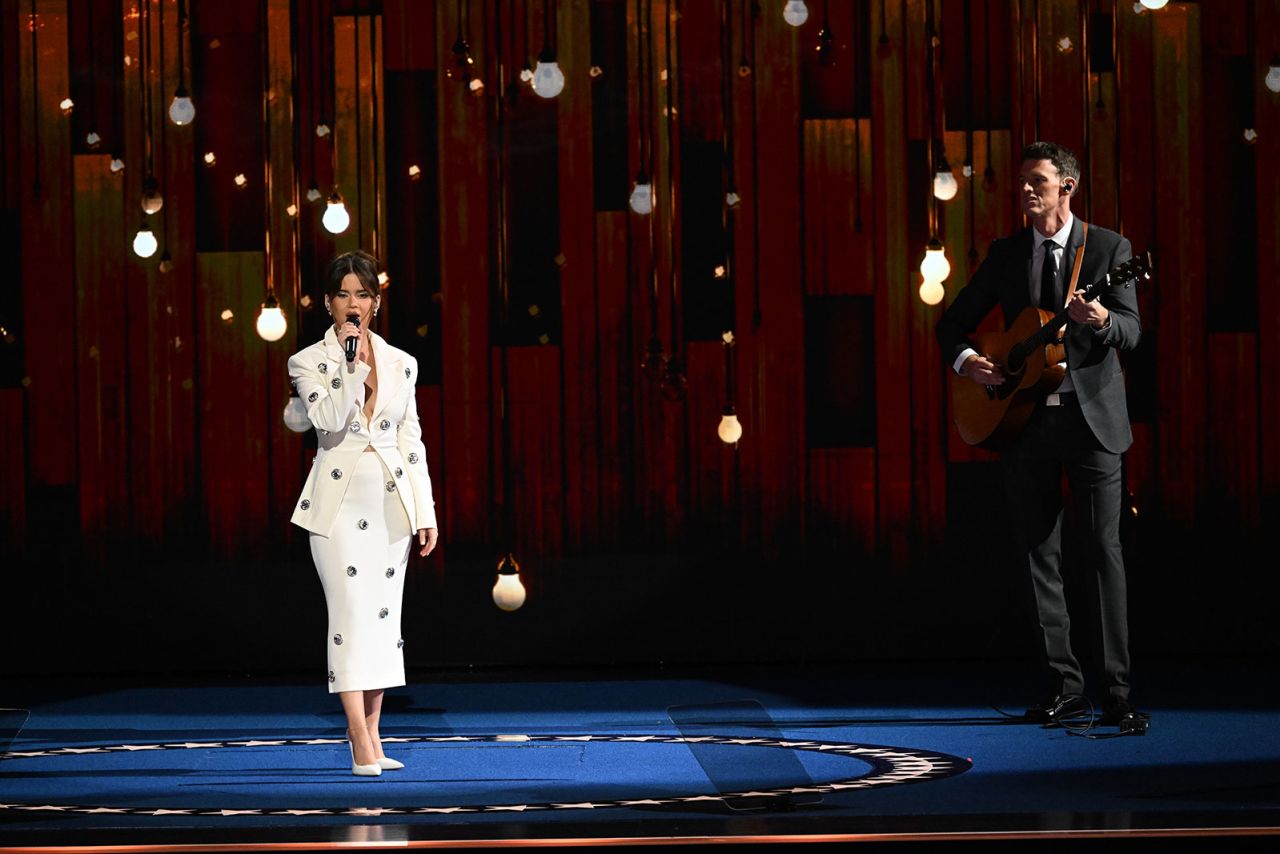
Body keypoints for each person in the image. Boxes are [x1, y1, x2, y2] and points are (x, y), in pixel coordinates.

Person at [936, 142, 1147, 731]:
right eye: (1023, 182)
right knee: (1039, 556)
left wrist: (1101, 319)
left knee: (1103, 552)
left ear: (1068, 187)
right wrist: (969, 361)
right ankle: (1064, 687)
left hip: (1092, 424)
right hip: (1023, 423)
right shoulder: (1006, 255)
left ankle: (1118, 692)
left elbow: (1131, 332)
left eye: (1038, 181)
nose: (1027, 190)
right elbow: (951, 323)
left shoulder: (1108, 249)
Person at [288, 250, 440, 775]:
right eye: (344, 294)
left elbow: (411, 439)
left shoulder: (402, 362)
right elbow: (327, 422)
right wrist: (350, 367)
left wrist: (426, 509)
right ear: (329, 303)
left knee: (380, 619)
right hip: (337, 504)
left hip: (391, 504)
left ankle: (375, 735)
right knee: (349, 615)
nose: (354, 303)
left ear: (376, 302)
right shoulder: (309, 361)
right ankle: (356, 739)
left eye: (363, 294)